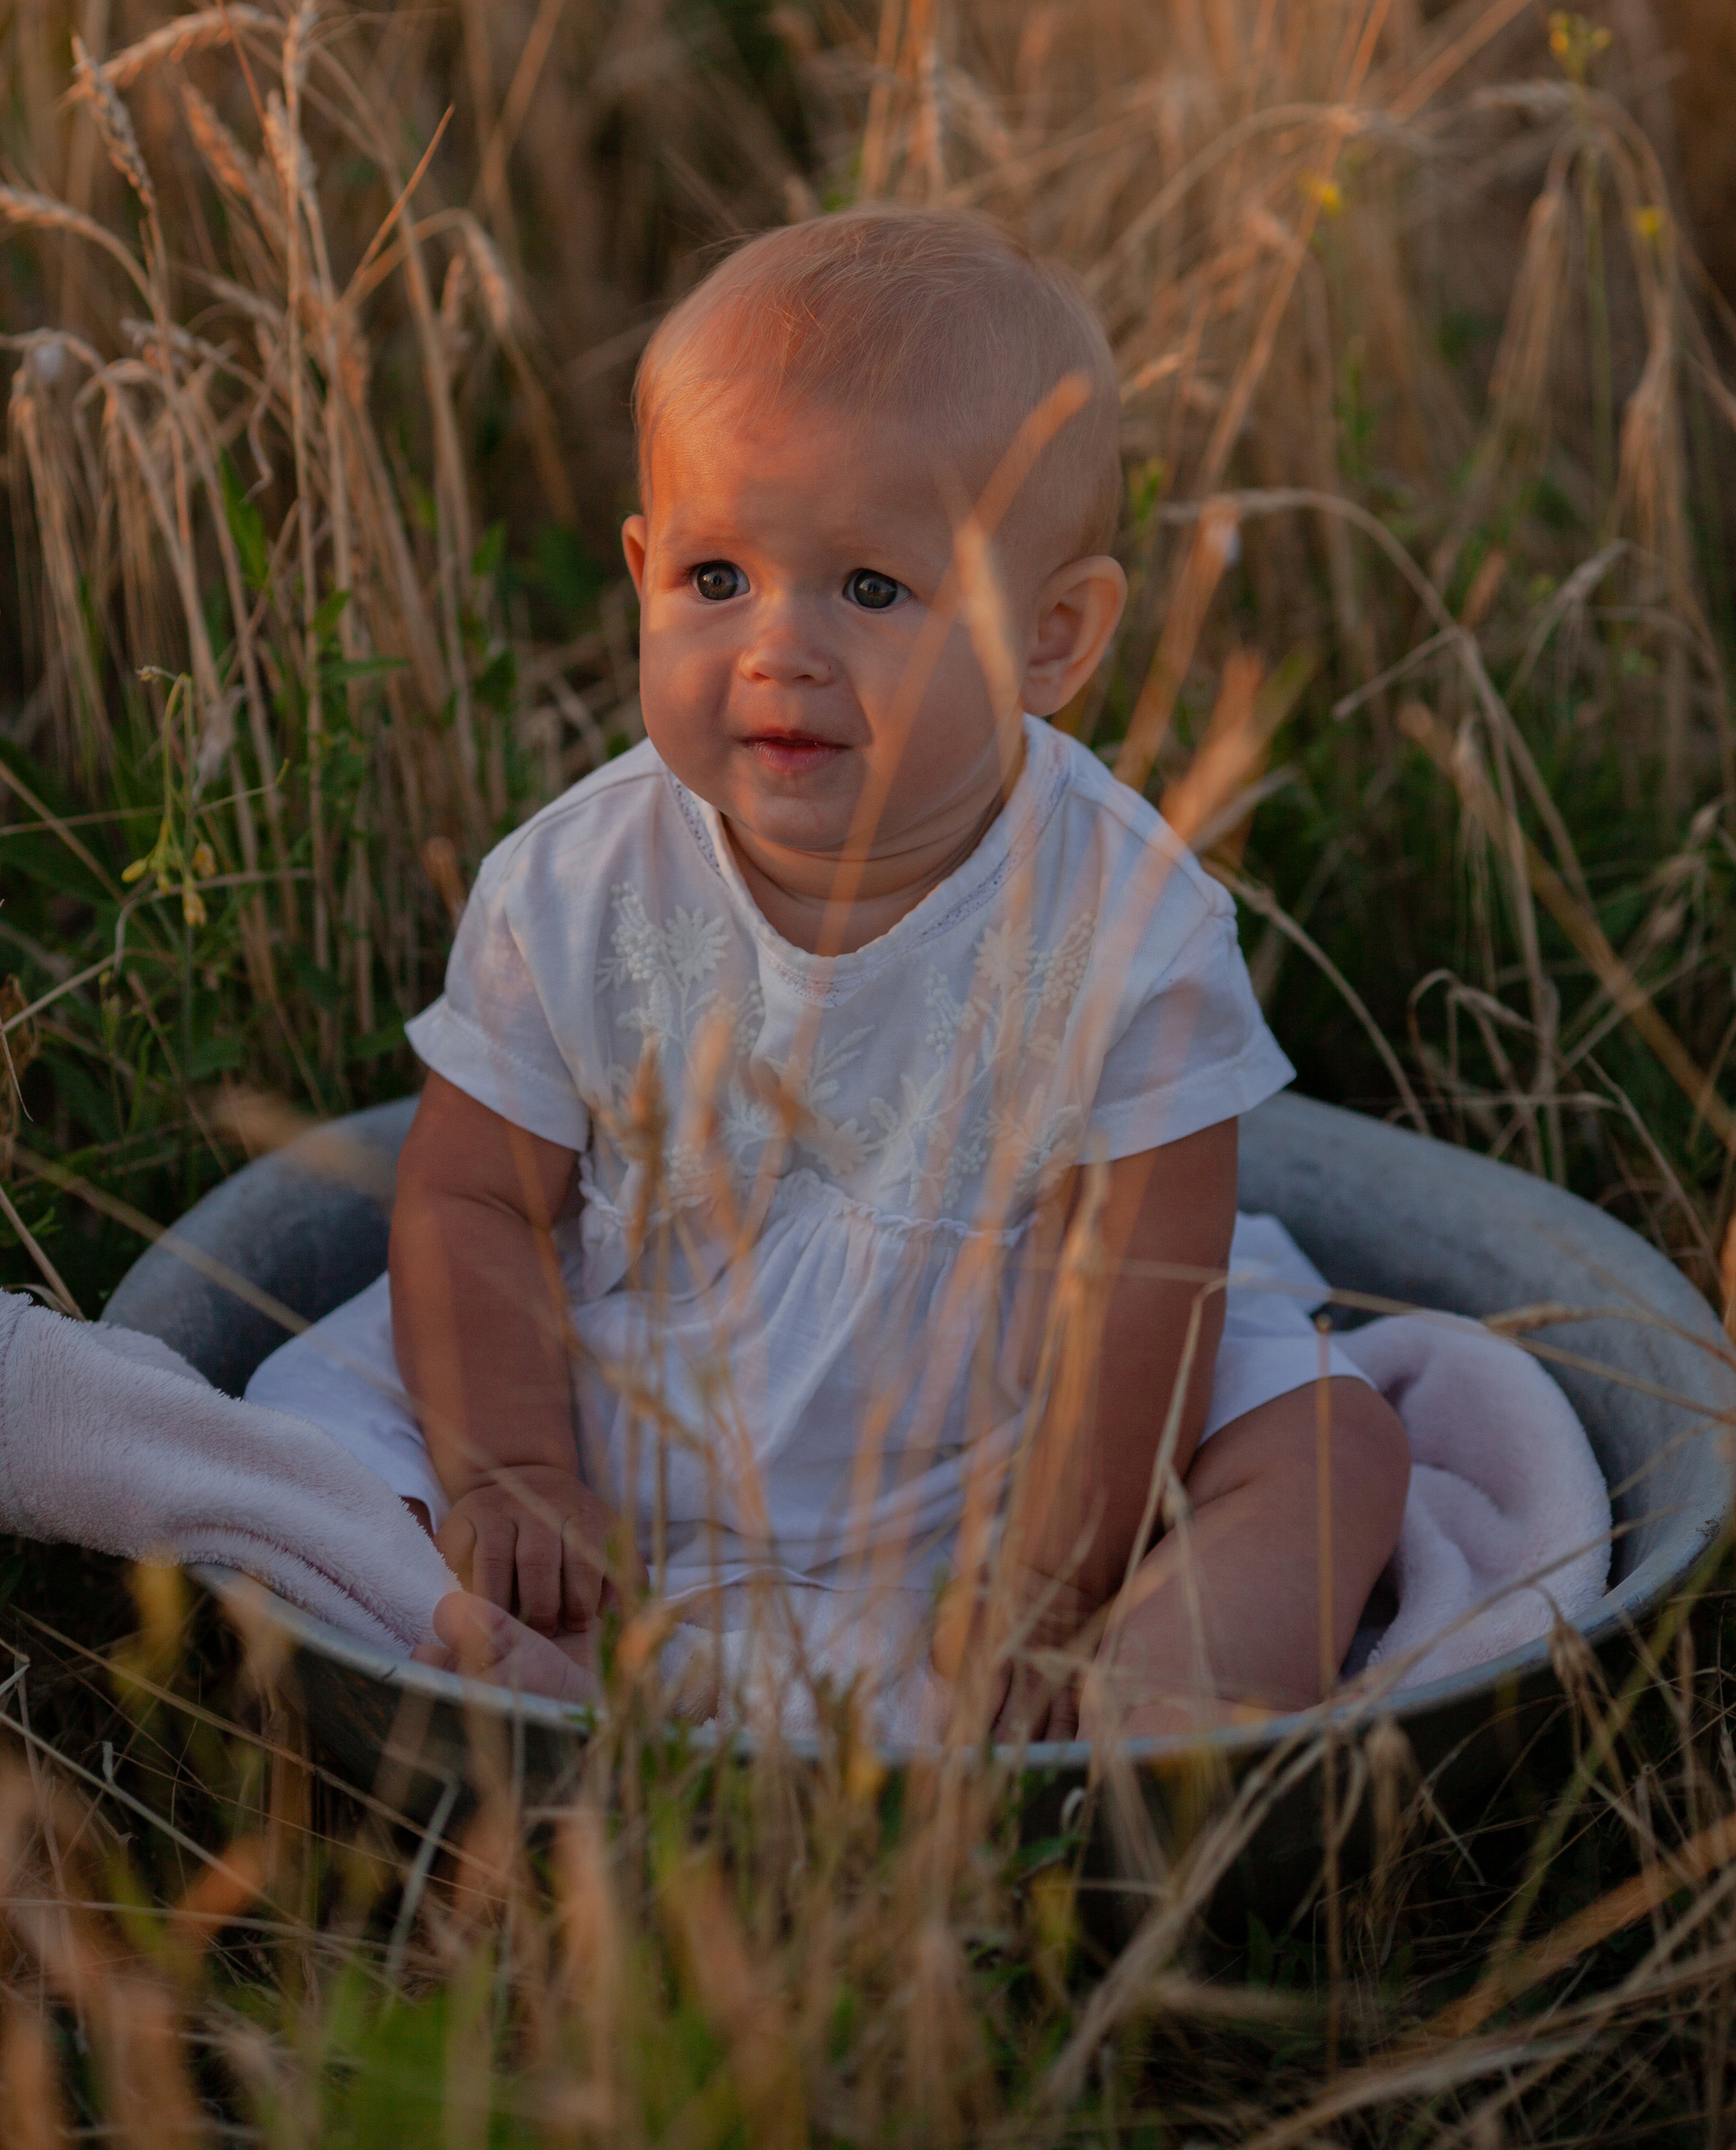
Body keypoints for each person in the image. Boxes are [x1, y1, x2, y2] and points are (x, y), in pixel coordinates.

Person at [248, 206, 1409, 1739]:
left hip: (1034, 1444)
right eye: (717, 576)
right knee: (313, 1426)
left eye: (869, 589)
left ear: (1053, 638)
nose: (776, 649)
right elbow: (471, 1199)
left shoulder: (1127, 917)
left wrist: (1052, 1575)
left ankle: (1130, 1729)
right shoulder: (574, 882)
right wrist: (512, 1469)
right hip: (618, 1410)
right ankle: (524, 1656)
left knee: (1334, 1446)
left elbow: (1146, 1280)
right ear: (642, 571)